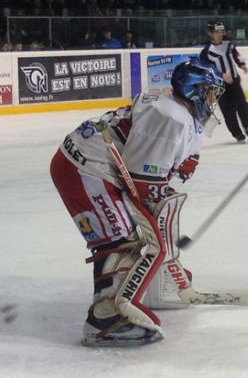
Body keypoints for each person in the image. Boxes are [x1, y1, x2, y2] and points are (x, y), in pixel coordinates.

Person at [50, 60, 224, 346]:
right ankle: (106, 320)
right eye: (210, 92)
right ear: (195, 90)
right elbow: (143, 182)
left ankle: (150, 286)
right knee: (123, 240)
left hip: (92, 164)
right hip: (85, 168)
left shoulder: (182, 113)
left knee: (142, 233)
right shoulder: (170, 116)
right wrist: (161, 235)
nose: (213, 99)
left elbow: (177, 165)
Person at [199, 20, 248, 142]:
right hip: (219, 86)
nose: (220, 34)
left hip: (234, 81)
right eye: (217, 32)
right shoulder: (206, 52)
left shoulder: (229, 44)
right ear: (210, 33)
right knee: (228, 111)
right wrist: (221, 75)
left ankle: (246, 125)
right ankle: (237, 134)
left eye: (221, 31)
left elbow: (236, 55)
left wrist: (242, 64)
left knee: (242, 104)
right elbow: (206, 70)